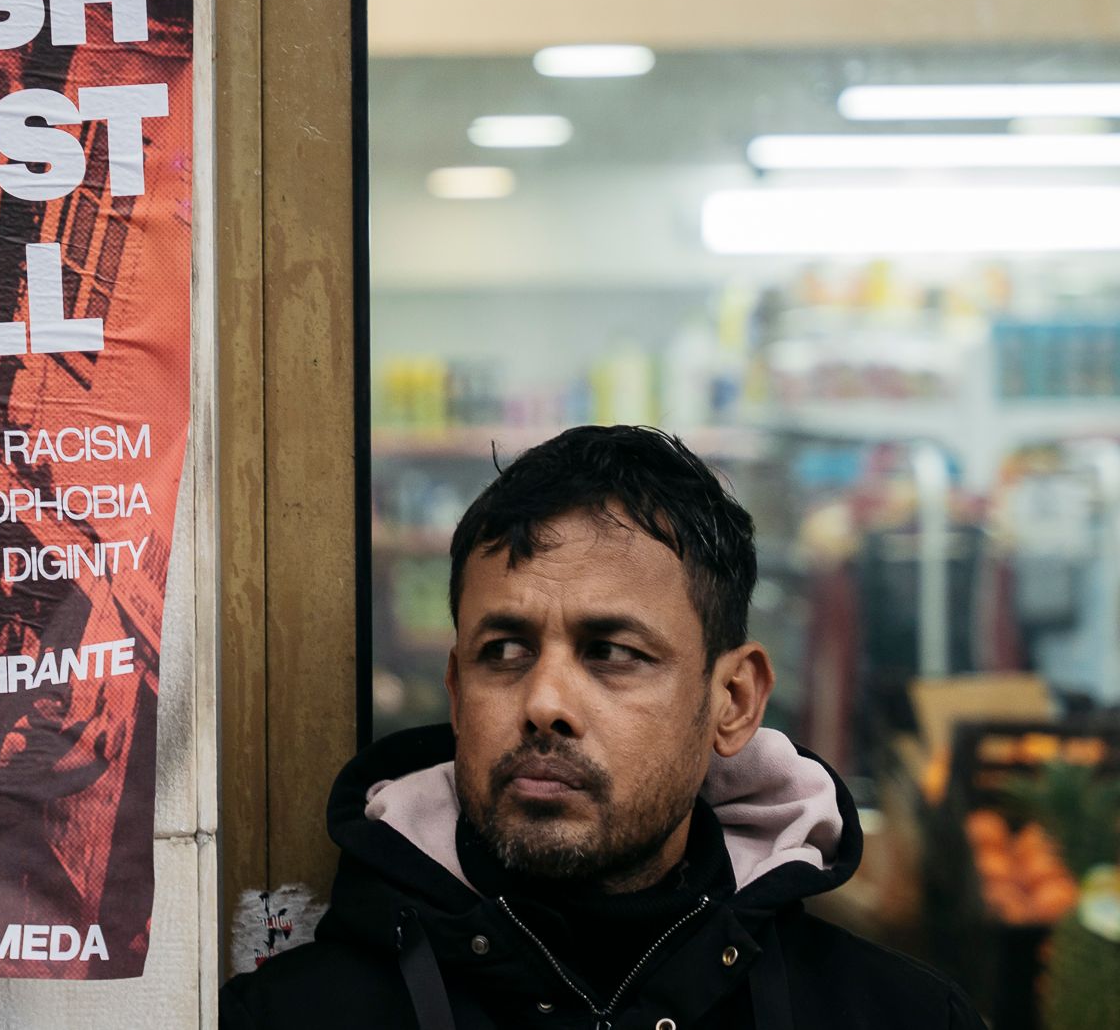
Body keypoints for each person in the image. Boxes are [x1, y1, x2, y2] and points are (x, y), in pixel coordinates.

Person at [221, 424, 983, 1029]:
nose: (545, 700)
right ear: (455, 690)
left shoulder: (895, 1014)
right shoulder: (291, 1015)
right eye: (504, 650)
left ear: (735, 701)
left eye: (613, 652)